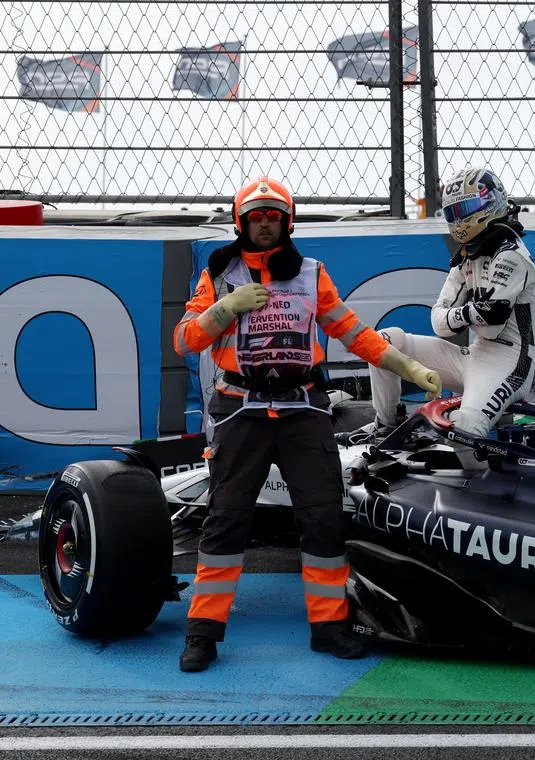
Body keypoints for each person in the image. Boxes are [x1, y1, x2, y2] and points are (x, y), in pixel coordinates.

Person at [172, 177, 442, 672]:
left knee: (321, 519)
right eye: (256, 216)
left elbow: (353, 332)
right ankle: (203, 633)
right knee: (226, 521)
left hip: (304, 410)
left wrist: (407, 368)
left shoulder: (311, 274)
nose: (265, 223)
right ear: (241, 221)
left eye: (274, 215)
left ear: (287, 220)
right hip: (240, 410)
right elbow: (185, 339)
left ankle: (329, 627)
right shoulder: (219, 274)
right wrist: (224, 308)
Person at [341, 167, 535, 444]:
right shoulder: (468, 255)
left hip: (510, 366)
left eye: (467, 208)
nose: (459, 220)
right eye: (453, 213)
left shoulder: (512, 255)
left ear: (491, 201)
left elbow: (492, 325)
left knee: (464, 429)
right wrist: (473, 312)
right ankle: (386, 425)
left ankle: (476, 482)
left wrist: (460, 315)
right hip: (473, 356)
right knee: (383, 341)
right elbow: (439, 323)